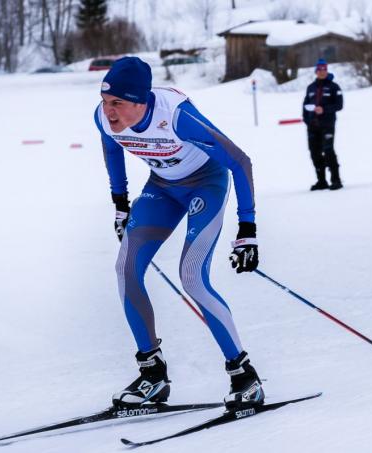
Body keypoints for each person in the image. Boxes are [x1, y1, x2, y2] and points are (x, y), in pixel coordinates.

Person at [93, 57, 264, 410]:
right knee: (125, 269)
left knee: (192, 276)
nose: (108, 112)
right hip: (163, 189)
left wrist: (247, 228)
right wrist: (120, 204)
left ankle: (244, 375)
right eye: (105, 101)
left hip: (207, 184)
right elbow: (112, 152)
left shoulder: (177, 116)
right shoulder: (104, 119)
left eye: (117, 104)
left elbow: (240, 161)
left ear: (140, 101)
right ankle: (152, 375)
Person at [302, 58, 344, 191]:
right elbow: (305, 106)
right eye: (319, 69)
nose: (322, 71)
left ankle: (336, 180)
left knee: (328, 150)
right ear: (316, 71)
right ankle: (321, 181)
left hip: (328, 124)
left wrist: (324, 109)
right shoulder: (311, 87)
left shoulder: (334, 87)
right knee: (314, 152)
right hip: (313, 126)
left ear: (327, 70)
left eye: (324, 69)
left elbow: (339, 105)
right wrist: (307, 120)